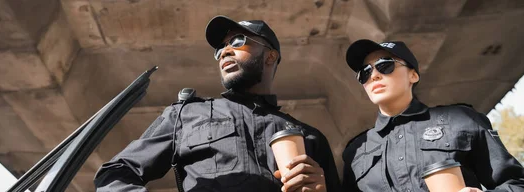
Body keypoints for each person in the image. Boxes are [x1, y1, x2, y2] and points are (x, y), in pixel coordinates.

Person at [94, 15, 340, 192]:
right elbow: (116, 173)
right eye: (220, 48)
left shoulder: (309, 137)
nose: (224, 51)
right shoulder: (186, 115)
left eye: (237, 41)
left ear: (271, 55)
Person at [341, 39, 524, 192]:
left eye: (385, 65)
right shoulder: (355, 152)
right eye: (364, 72)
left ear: (413, 75)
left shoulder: (461, 120)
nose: (374, 75)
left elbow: (521, 185)